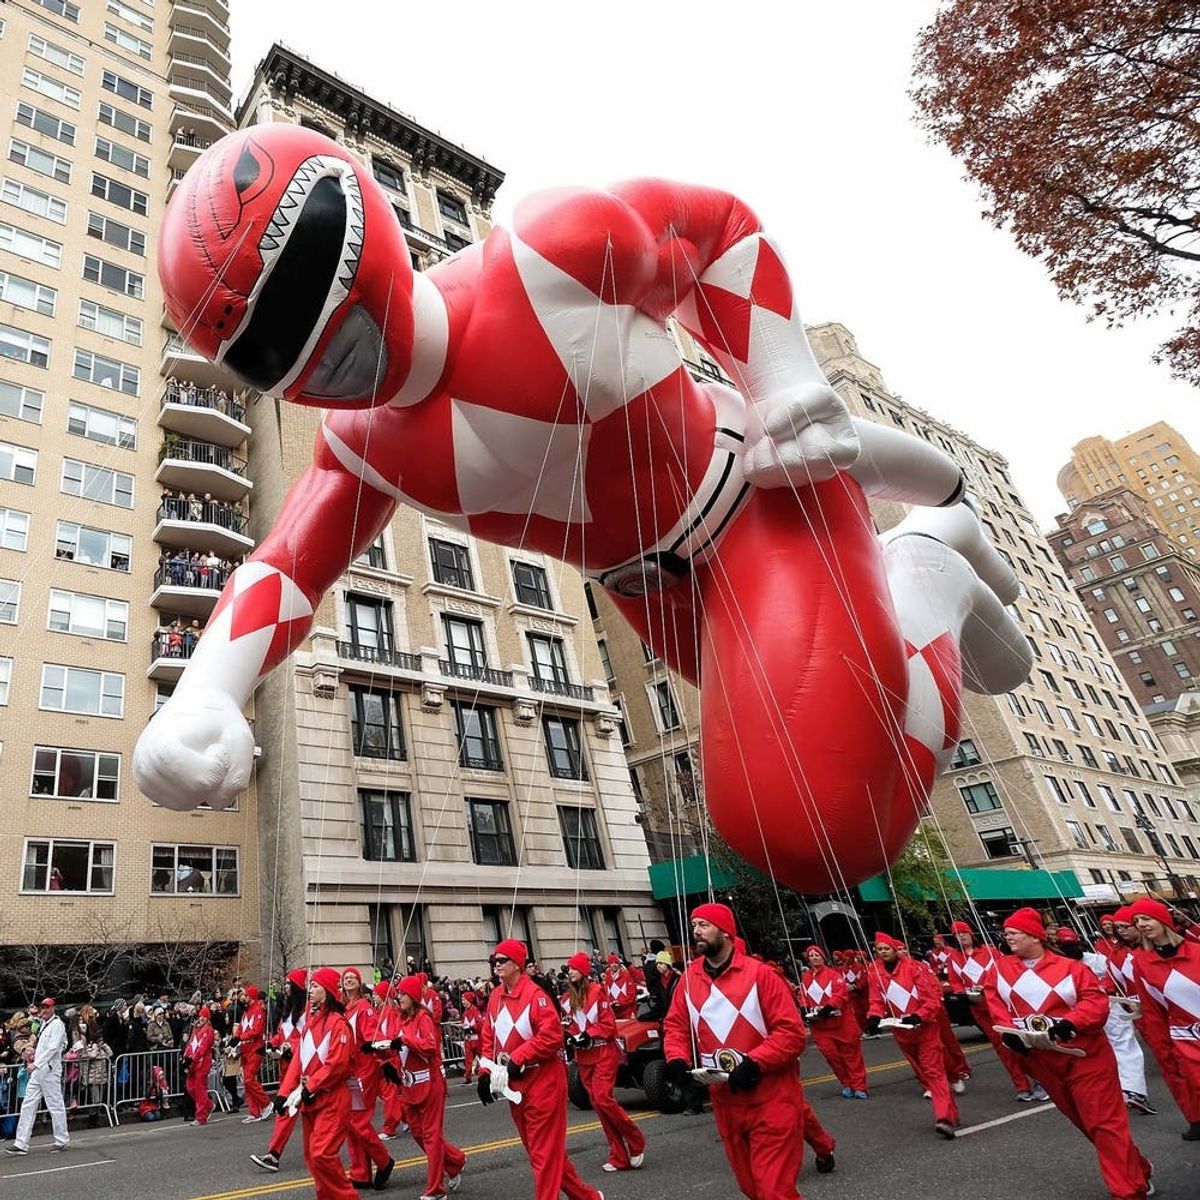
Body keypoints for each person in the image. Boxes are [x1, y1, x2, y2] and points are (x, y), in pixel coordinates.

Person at [141, 124, 1030, 914]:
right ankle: (935, 561)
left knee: (812, 826)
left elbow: (717, 229)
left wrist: (783, 377)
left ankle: (925, 570)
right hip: (656, 595)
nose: (333, 360)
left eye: (317, 303)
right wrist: (207, 687)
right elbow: (289, 563)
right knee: (809, 808)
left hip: (759, 505)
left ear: (359, 228)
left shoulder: (546, 257)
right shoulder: (362, 445)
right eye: (276, 352)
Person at [985, 907, 1154, 1200]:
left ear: (1034, 936)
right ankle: (1137, 1167)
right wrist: (1008, 1034)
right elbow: (995, 1002)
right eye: (1006, 932)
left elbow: (1095, 1003)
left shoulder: (1071, 968)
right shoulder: (999, 969)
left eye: (1014, 932)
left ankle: (1128, 1191)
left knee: (1104, 1124)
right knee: (1087, 1124)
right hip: (1043, 1061)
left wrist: (1071, 1023)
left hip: (1085, 1058)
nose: (1007, 936)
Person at [663, 903, 813, 1198]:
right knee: (751, 1188)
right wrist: (677, 1059)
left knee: (773, 1191)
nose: (696, 931)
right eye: (694, 925)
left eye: (704, 925)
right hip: (726, 1103)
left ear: (726, 932)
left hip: (772, 1098)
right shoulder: (689, 979)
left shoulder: (761, 975)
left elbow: (792, 1033)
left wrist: (755, 1062)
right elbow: (676, 1026)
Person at [477, 938, 603, 1200]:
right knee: (541, 1151)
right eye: (494, 961)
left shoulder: (536, 996)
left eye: (502, 960)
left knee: (543, 1154)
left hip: (544, 1083)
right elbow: (488, 1036)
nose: (496, 965)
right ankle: (588, 1197)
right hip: (515, 1087)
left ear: (517, 965)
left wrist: (518, 1057)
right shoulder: (495, 997)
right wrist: (485, 1074)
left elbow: (552, 1037)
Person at [864, 932, 959, 1137]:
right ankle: (951, 1112)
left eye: (886, 948)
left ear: (894, 950)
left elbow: (931, 1000)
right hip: (902, 1033)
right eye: (879, 949)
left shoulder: (913, 968)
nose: (883, 952)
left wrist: (918, 1016)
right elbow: (876, 1001)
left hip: (926, 1030)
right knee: (925, 1072)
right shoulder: (875, 973)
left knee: (933, 1072)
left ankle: (943, 1117)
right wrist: (873, 1018)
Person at [274, 967, 358, 1200]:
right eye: (310, 986)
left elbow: (337, 1064)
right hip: (311, 1099)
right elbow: (299, 1060)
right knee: (312, 1157)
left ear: (327, 991)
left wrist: (311, 1086)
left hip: (331, 1098)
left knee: (322, 1154)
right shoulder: (311, 1021)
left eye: (315, 986)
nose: (309, 990)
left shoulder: (338, 1023)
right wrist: (284, 1093)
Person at [562, 951, 646, 1172]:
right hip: (584, 1057)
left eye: (574, 968)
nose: (570, 971)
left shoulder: (598, 992)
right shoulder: (568, 998)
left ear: (584, 971)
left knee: (602, 1099)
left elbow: (608, 1025)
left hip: (603, 1054)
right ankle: (619, 1155)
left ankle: (635, 1138)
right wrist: (570, 1036)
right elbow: (570, 1024)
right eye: (569, 968)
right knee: (599, 1106)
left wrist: (590, 1034)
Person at [945, 919, 1045, 1103]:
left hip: (1003, 1005)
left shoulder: (990, 951)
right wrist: (962, 994)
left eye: (964, 933)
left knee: (1022, 1043)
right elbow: (954, 981)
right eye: (957, 935)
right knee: (1003, 1048)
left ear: (971, 934)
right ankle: (1021, 1086)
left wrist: (988, 987)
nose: (961, 937)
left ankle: (1040, 1081)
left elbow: (1005, 972)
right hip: (979, 1009)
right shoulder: (953, 958)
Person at [1056, 927, 1153, 1115]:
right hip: (1088, 1012)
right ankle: (1127, 1092)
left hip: (1102, 1008)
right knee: (1118, 1047)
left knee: (1118, 1046)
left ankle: (1129, 1092)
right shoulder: (1073, 964)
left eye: (1072, 944)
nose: (1071, 948)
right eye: (1066, 945)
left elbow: (1114, 979)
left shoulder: (1096, 960)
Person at [1127, 897, 1200, 1141]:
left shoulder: (1196, 952)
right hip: (1185, 1039)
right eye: (1137, 921)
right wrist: (1162, 1047)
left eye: (1146, 918)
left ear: (1163, 921)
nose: (1141, 924)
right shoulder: (1141, 963)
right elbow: (1152, 1011)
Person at [386, 974, 465, 1197]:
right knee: (418, 1133)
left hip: (430, 1084)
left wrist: (405, 1041)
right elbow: (397, 1047)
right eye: (398, 993)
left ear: (413, 996)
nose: (399, 997)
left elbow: (430, 1046)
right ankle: (454, 1161)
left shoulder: (424, 1018)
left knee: (431, 1135)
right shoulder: (401, 1018)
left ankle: (436, 1189)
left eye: (403, 993)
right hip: (410, 1086)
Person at [251, 967, 308, 1172]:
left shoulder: (306, 1012)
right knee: (286, 1110)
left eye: (288, 984)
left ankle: (275, 1154)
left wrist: (289, 1048)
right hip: (286, 1069)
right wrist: (270, 1045)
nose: (285, 987)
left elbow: (307, 1038)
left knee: (289, 1110)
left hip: (300, 1070)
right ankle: (274, 1154)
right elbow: (280, 1035)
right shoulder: (288, 1012)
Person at [341, 967, 394, 1189]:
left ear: (359, 982)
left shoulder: (364, 1008)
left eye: (353, 977)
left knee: (358, 1122)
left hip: (365, 1071)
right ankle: (360, 1172)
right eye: (346, 977)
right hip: (351, 1073)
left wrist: (384, 1057)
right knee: (350, 1123)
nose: (349, 979)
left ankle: (384, 1161)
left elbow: (374, 1037)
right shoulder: (346, 1009)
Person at [798, 945, 868, 1098]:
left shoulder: (834, 975)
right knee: (831, 1056)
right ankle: (847, 1083)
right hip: (820, 1026)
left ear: (823, 958)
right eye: (811, 956)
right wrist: (803, 1009)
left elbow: (840, 994)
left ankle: (859, 1086)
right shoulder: (806, 977)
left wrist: (828, 1007)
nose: (814, 958)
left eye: (817, 955)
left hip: (842, 1023)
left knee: (851, 1056)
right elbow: (802, 996)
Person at [4, 998, 68, 1156]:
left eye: (46, 1007)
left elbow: (53, 1048)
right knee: (28, 1104)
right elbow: (45, 1046)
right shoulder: (44, 1024)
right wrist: (33, 1054)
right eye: (42, 1008)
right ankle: (21, 1143)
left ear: (53, 1008)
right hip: (39, 1071)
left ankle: (61, 1139)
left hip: (49, 1071)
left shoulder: (57, 1025)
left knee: (55, 1105)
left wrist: (36, 1063)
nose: (43, 1010)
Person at [237, 985, 271, 1122]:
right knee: (247, 1081)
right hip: (246, 1049)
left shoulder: (258, 1010)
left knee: (249, 1079)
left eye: (245, 995)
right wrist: (234, 1040)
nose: (243, 997)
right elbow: (241, 1028)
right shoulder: (246, 1011)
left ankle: (266, 1103)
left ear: (251, 996)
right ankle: (254, 1112)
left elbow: (256, 1030)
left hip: (255, 1048)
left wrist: (240, 1037)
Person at [182, 1006, 215, 1127]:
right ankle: (208, 1105)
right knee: (190, 1087)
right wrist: (186, 1057)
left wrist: (193, 1058)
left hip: (202, 1063)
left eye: (204, 1016)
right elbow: (190, 1044)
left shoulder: (209, 1031)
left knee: (200, 1089)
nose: (201, 1018)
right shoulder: (196, 1030)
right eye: (200, 1016)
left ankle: (201, 1116)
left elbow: (203, 1047)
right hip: (193, 1063)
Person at [602, 955, 637, 1020]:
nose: (614, 965)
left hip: (626, 1012)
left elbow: (632, 994)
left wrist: (620, 1002)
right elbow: (604, 995)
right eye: (612, 963)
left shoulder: (626, 976)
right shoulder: (606, 979)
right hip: (613, 1013)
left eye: (616, 962)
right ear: (609, 965)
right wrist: (610, 1004)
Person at [460, 991, 482, 1084]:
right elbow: (464, 1024)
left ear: (469, 1000)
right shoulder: (464, 1013)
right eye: (462, 1000)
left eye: (464, 1000)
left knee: (483, 1058)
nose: (463, 1002)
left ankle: (488, 1075)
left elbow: (480, 1024)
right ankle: (468, 1077)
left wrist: (472, 1028)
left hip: (477, 1040)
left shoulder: (475, 1010)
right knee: (468, 1059)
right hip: (468, 1039)